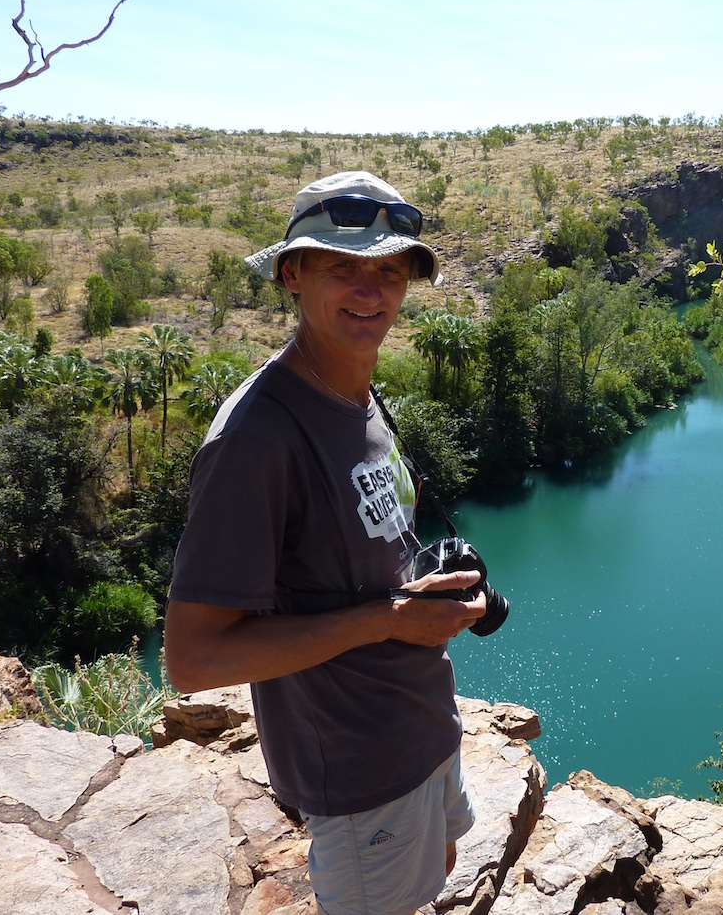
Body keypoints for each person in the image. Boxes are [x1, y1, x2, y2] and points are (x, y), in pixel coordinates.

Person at [164, 170, 488, 915]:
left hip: (423, 725)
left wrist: (423, 596)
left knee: (440, 866)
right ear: (293, 274)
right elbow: (193, 661)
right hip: (358, 768)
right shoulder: (255, 439)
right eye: (344, 267)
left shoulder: (357, 392)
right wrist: (389, 618)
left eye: (390, 271)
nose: (371, 291)